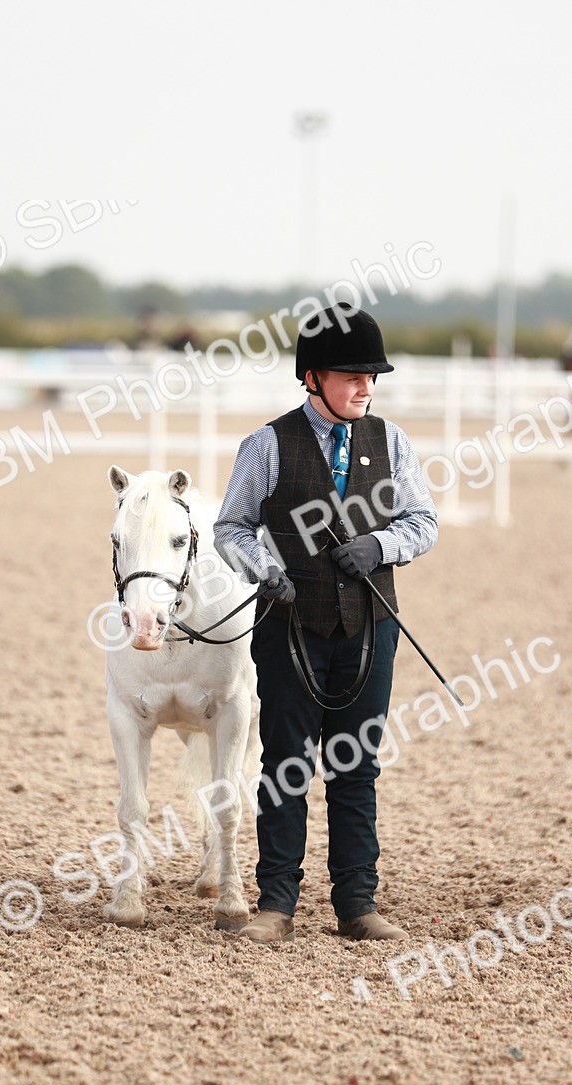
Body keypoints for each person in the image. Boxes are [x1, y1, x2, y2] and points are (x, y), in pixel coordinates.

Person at [213, 305, 438, 943]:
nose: (366, 387)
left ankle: (357, 905)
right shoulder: (266, 445)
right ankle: (276, 905)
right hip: (290, 626)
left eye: (372, 377)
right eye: (352, 376)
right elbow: (230, 526)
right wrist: (264, 567)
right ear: (312, 377)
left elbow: (422, 521)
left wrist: (383, 547)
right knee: (286, 762)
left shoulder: (393, 443)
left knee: (357, 764)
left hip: (370, 625)